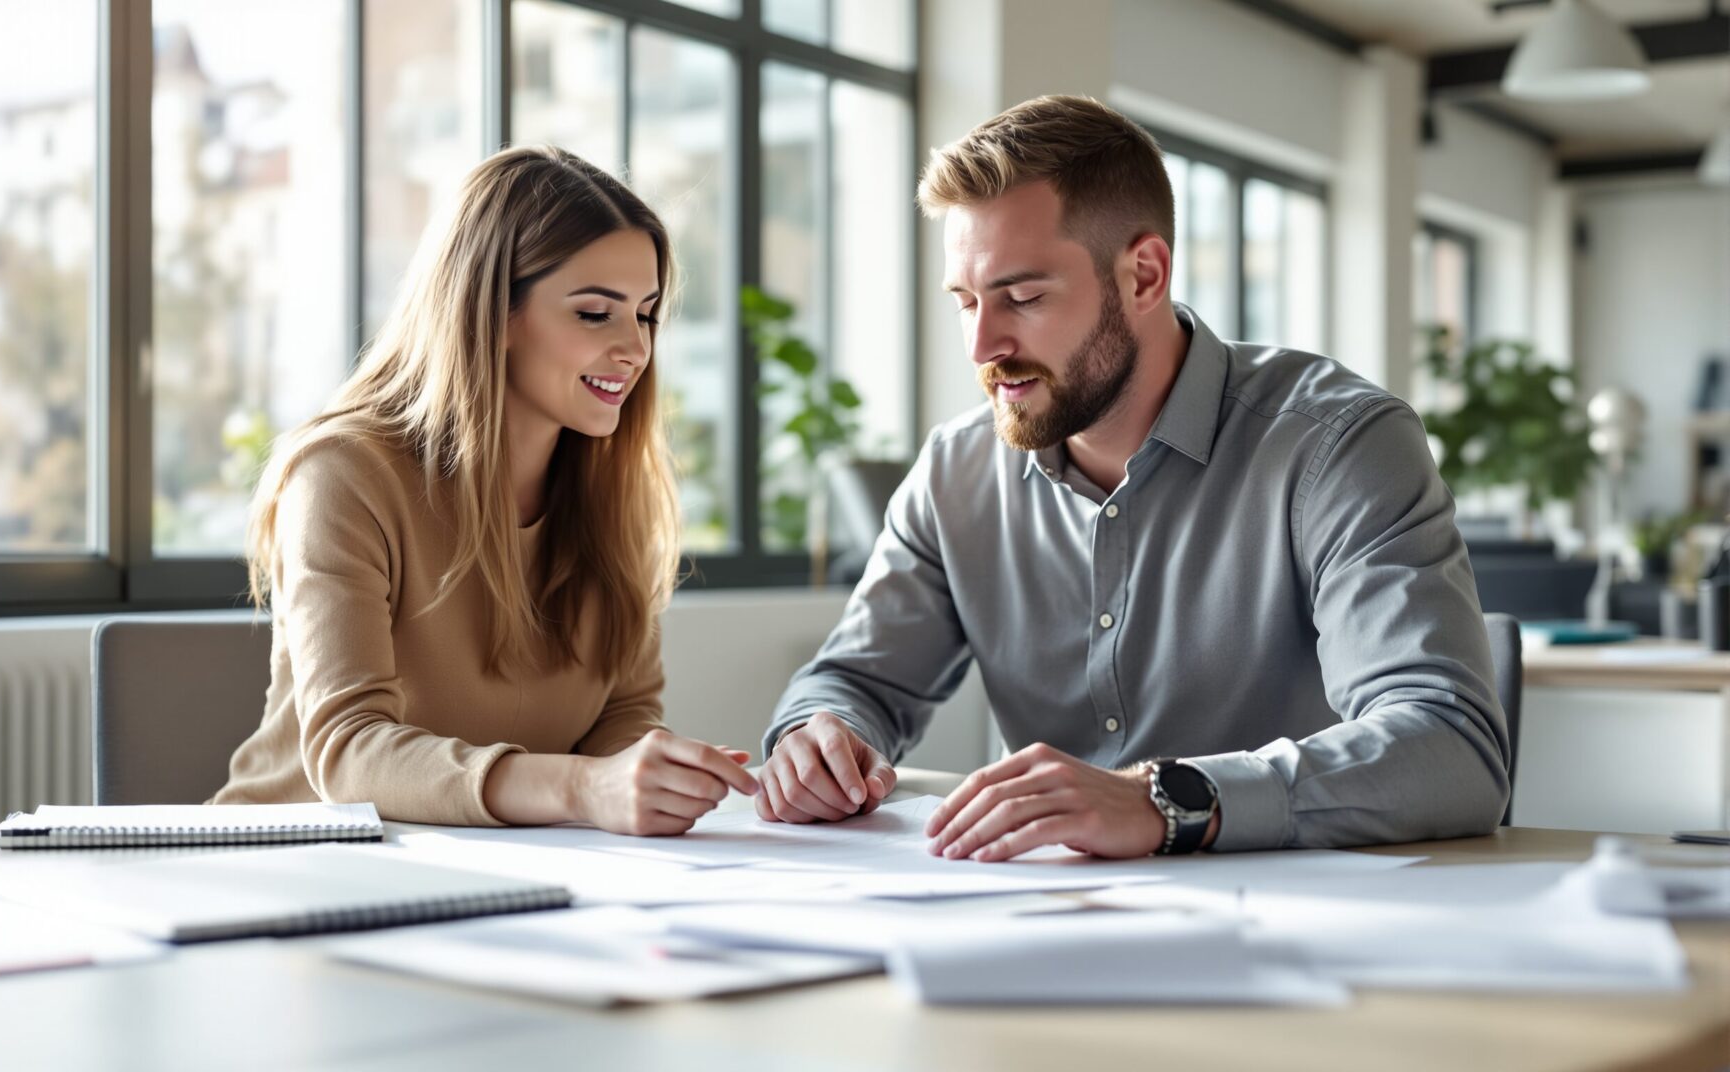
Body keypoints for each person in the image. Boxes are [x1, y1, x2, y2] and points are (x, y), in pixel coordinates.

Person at [754, 96, 1510, 860]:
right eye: (966, 302)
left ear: (1144, 274)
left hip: (1303, 924)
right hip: (1049, 920)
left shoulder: (1338, 446)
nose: (984, 343)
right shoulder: (955, 473)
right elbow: (852, 684)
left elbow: (1450, 748)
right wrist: (819, 738)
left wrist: (1165, 801)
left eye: (1023, 296)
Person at [214, 146, 757, 834]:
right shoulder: (344, 475)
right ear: (492, 313)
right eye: (596, 314)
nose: (636, 349)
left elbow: (622, 717)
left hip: (501, 878)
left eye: (646, 314)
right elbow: (347, 754)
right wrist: (582, 789)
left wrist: (658, 780)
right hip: (290, 868)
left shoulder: (612, 492)